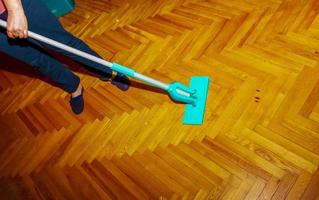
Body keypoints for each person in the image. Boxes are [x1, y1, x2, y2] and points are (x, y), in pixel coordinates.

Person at [0, 0, 130, 114]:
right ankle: (74, 87)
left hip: (12, 5)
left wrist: (15, 9)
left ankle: (106, 72)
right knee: (37, 61)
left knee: (64, 44)